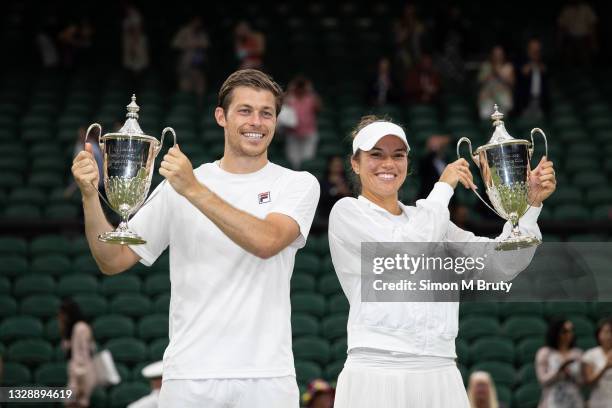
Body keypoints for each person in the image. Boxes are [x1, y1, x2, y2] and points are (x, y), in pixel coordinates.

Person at [71, 69, 320, 408]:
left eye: (267, 113)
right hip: (189, 377)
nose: (256, 122)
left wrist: (193, 190)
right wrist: (88, 196)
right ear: (222, 116)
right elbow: (112, 260)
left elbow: (268, 241)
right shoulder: (180, 185)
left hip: (267, 377)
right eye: (245, 110)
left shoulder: (296, 183)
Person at [327, 115, 556, 407]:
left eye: (398, 155)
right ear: (355, 164)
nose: (388, 164)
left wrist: (530, 206)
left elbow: (500, 266)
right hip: (377, 368)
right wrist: (444, 187)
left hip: (441, 370)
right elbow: (408, 251)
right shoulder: (346, 213)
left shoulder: (434, 221)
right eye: (376, 155)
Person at [536, 319, 584, 408]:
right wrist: (559, 371)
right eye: (564, 332)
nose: (569, 335)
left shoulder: (577, 353)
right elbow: (542, 380)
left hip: (573, 400)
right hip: (551, 401)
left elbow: (582, 381)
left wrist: (571, 374)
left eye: (571, 331)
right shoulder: (545, 352)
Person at [59, 299, 96, 408]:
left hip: (81, 373)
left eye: (62, 314)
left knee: (76, 403)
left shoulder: (80, 328)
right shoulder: (73, 328)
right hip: (76, 372)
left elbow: (83, 355)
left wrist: (80, 383)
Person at [284, 75, 321, 169]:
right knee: (293, 161)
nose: (300, 89)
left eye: (302, 87)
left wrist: (310, 90)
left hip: (309, 133)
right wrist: (290, 89)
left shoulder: (311, 98)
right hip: (292, 133)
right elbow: (280, 104)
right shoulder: (289, 98)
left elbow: (319, 107)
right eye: (298, 87)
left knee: (308, 160)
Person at [172, 17, 210, 102]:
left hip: (199, 65)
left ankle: (199, 105)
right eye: (196, 21)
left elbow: (206, 45)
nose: (198, 23)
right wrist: (188, 45)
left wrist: (198, 45)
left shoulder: (201, 33)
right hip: (185, 65)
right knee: (185, 87)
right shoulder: (183, 31)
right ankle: (185, 104)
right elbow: (175, 44)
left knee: (200, 86)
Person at [515, 38, 549, 120]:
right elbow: (520, 75)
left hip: (540, 102)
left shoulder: (543, 63)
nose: (535, 52)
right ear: (528, 50)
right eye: (533, 49)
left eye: (537, 50)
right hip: (525, 102)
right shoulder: (521, 62)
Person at [581, 317, 612, 407]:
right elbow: (589, 382)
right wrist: (606, 367)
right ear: (599, 334)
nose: (609, 336)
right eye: (606, 332)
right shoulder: (590, 355)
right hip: (599, 402)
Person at [478, 46, 515, 120]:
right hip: (487, 99)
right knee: (486, 119)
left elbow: (512, 83)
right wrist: (491, 72)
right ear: (491, 55)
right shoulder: (486, 66)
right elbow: (480, 81)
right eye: (495, 54)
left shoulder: (508, 67)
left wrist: (499, 73)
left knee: (501, 123)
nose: (497, 57)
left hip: (502, 101)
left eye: (500, 54)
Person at [557, 0, 598, 67]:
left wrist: (594, 42)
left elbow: (592, 26)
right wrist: (559, 42)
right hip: (570, 39)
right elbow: (561, 27)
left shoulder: (586, 8)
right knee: (568, 61)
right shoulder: (566, 10)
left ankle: (586, 73)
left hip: (584, 39)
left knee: (586, 60)